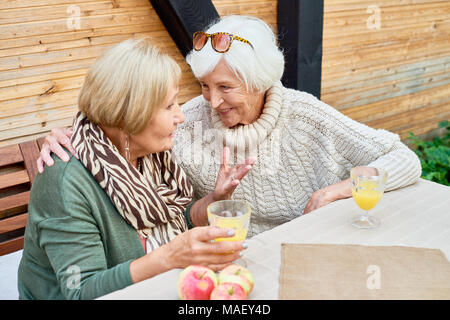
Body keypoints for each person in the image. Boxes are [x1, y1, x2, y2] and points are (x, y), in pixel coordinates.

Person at [37, 15, 422, 238]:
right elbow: (123, 123)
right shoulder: (186, 120)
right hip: (228, 265)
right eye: (204, 86)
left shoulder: (306, 116)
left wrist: (336, 191)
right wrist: (72, 133)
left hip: (305, 249)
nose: (212, 102)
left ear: (259, 81)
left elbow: (403, 159)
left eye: (225, 87)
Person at [18, 38, 254, 300]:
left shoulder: (151, 155)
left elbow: (176, 218)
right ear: (130, 115)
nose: (181, 116)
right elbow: (80, 291)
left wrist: (215, 199)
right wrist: (168, 257)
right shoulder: (64, 181)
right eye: (169, 106)